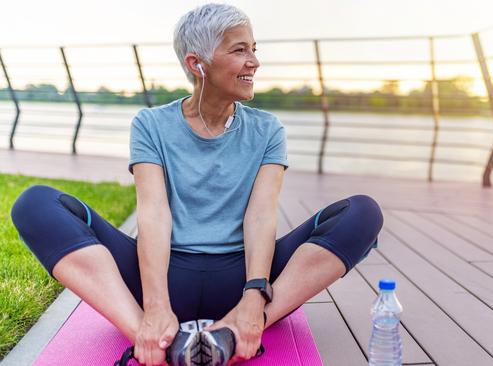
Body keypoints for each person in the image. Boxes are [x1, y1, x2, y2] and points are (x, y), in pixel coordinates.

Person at [11, 3, 383, 366]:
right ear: (197, 63)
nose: (254, 61)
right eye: (240, 50)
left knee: (363, 213)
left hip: (244, 281)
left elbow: (261, 215)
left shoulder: (268, 130)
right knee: (34, 204)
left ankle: (237, 330)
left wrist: (254, 298)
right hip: (160, 278)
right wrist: (156, 307)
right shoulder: (151, 124)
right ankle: (150, 335)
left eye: (254, 49)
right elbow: (153, 212)